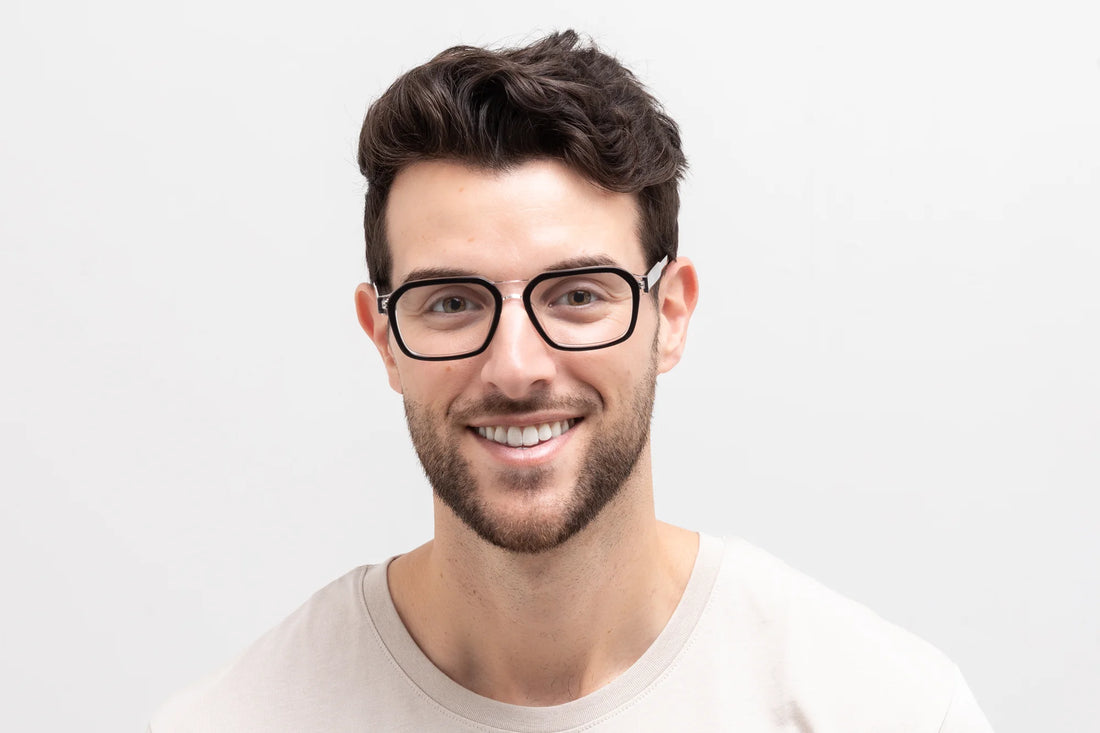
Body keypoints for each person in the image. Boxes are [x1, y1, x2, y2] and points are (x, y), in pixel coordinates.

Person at [150, 30, 993, 731]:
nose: (517, 367)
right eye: (452, 303)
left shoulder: (887, 709)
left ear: (670, 314)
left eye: (579, 295)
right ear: (385, 339)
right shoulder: (235, 719)